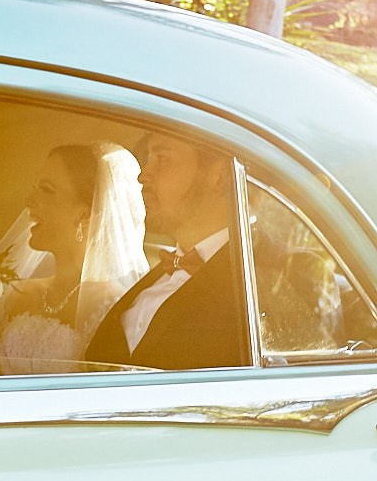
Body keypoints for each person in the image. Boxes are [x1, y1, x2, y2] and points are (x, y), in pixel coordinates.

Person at [0, 142, 147, 375]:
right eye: (35, 187)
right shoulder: (17, 295)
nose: (28, 200)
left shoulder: (112, 308)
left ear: (84, 214)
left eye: (46, 189)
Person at [81, 132, 250, 371]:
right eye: (148, 158)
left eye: (162, 158)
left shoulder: (262, 278)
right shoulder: (157, 275)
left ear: (220, 176)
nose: (143, 175)